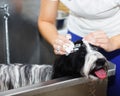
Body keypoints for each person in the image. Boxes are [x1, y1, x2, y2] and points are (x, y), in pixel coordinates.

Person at [38, 0, 120, 96]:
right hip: (76, 37)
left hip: (116, 39)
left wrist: (113, 43)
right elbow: (45, 21)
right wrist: (56, 40)